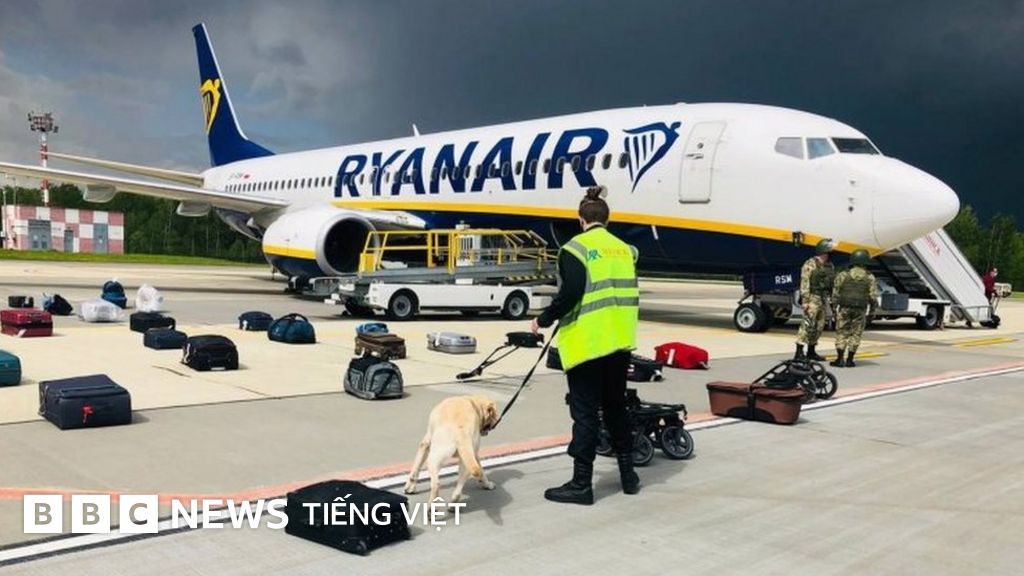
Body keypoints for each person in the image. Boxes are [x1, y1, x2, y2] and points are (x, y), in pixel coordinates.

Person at [531, 185, 640, 505]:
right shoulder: (625, 250)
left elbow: (571, 292)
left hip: (588, 344)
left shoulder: (575, 249)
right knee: (616, 408)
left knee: (586, 414)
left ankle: (582, 484)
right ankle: (629, 476)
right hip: (619, 343)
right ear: (607, 219)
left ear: (581, 220)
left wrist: (544, 319)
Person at [831, 249, 880, 368]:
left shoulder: (843, 275)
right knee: (856, 334)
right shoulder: (870, 277)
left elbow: (835, 293)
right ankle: (850, 360)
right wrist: (872, 312)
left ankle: (839, 359)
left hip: (844, 308)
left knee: (842, 332)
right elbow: (873, 297)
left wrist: (834, 308)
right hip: (860, 309)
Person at [795, 239, 836, 361]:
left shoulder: (830, 266)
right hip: (812, 298)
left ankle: (811, 351)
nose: (829, 255)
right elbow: (805, 282)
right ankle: (799, 352)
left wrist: (832, 299)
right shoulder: (810, 264)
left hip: (823, 299)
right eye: (828, 252)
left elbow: (832, 283)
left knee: (819, 326)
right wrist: (805, 301)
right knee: (807, 325)